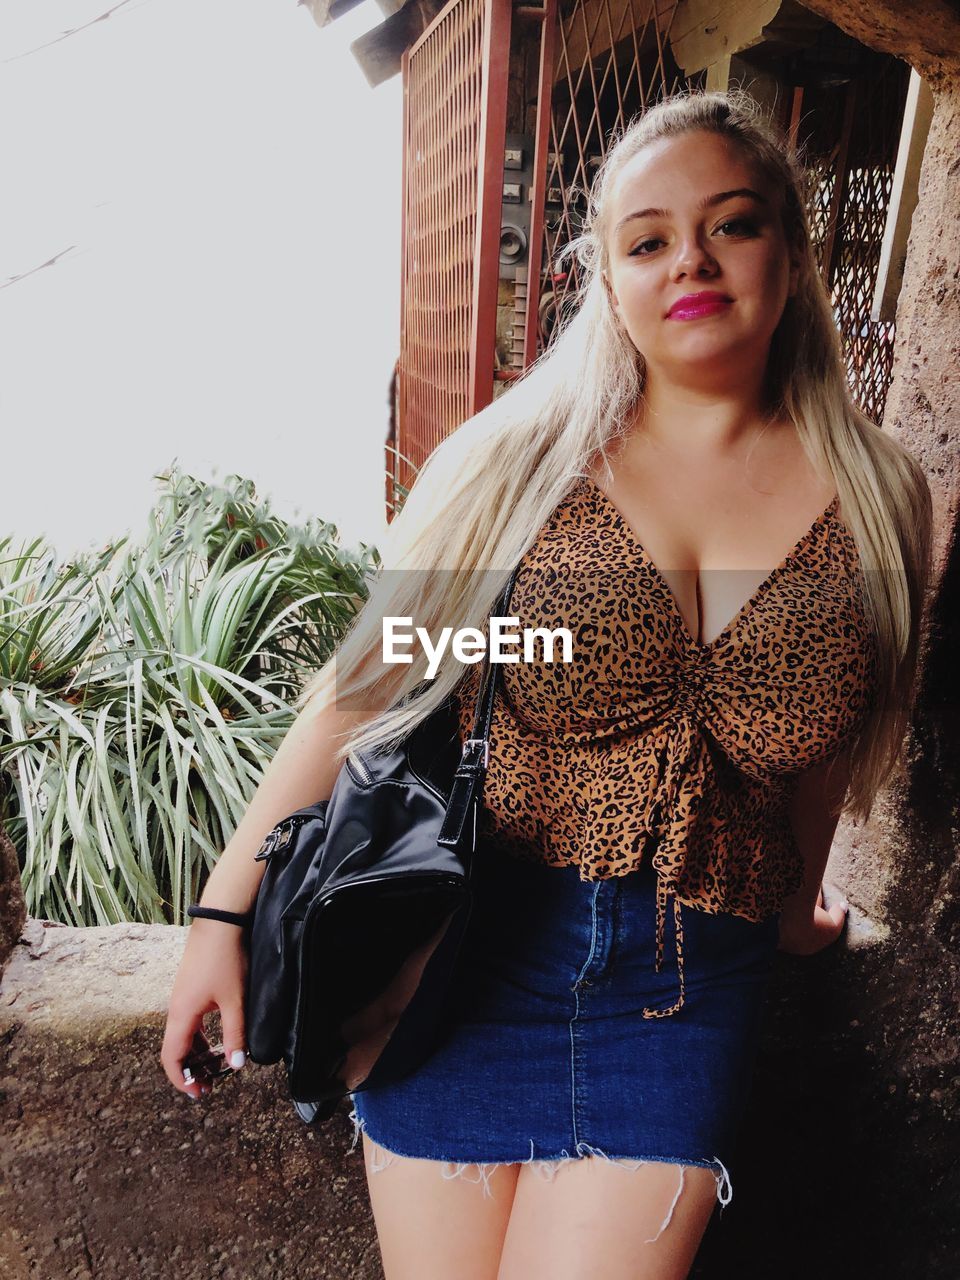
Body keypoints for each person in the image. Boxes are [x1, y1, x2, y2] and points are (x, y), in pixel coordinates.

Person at [162, 87, 933, 1279]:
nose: (691, 258)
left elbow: (823, 735)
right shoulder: (527, 464)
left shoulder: (881, 498)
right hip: (472, 957)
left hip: (683, 991)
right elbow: (378, 676)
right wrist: (222, 911)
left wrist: (793, 901)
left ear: (788, 247)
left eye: (730, 224)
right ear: (611, 282)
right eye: (648, 239)